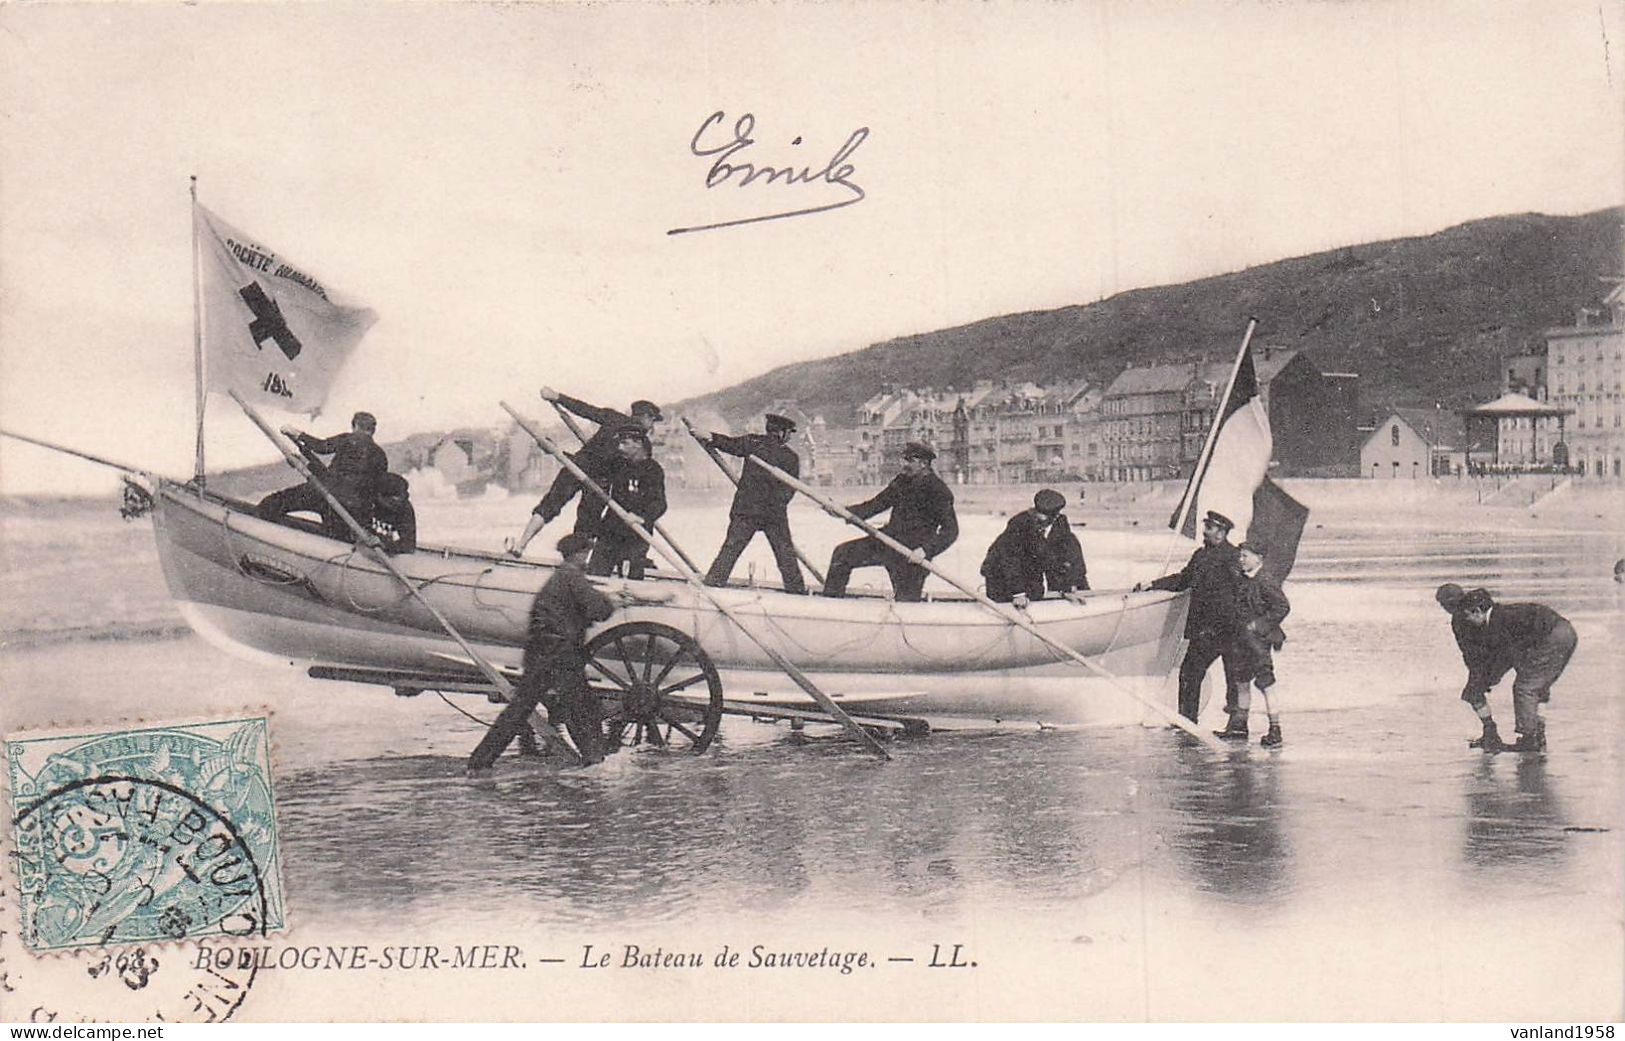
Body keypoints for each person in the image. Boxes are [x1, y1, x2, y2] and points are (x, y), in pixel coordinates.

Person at [467, 533, 617, 773]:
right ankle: (594, 762)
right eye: (585, 553)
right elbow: (598, 609)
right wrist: (611, 601)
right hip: (559, 655)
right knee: (576, 706)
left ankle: (480, 761)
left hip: (544, 653)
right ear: (578, 554)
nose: (587, 557)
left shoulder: (561, 577)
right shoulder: (572, 577)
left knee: (523, 709)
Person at [507, 389, 662, 557]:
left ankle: (521, 545)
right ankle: (577, 562)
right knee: (587, 524)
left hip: (579, 466)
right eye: (652, 421)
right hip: (599, 481)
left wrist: (558, 397)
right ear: (646, 417)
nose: (652, 426)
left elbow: (585, 410)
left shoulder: (614, 418)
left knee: (550, 506)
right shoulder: (641, 443)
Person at [1137, 510, 1242, 723]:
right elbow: (1183, 579)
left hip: (1229, 629)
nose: (1204, 532)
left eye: (1209, 528)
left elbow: (1243, 590)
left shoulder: (1233, 557)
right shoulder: (1200, 555)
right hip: (1203, 630)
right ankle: (1187, 721)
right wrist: (1153, 585)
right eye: (1205, 526)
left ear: (1222, 532)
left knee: (1234, 678)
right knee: (1189, 674)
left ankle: (1237, 726)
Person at [821, 442, 958, 602]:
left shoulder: (938, 490)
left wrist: (925, 551)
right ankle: (831, 603)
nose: (904, 464)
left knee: (907, 602)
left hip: (911, 554)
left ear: (923, 463)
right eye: (904, 459)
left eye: (909, 460)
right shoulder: (901, 481)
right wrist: (842, 512)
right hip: (887, 543)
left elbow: (950, 531)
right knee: (842, 554)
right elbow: (875, 505)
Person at [1453, 588, 1578, 753]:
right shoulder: (1501, 614)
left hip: (1553, 637)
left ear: (1477, 612)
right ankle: (1537, 735)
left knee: (1525, 688)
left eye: (1468, 616)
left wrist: (1484, 679)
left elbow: (1505, 655)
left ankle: (1529, 740)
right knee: (1536, 686)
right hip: (1564, 632)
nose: (1467, 621)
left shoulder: (1499, 621)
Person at [700, 413, 807, 594]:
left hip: (747, 509)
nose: (789, 437)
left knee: (731, 548)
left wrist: (710, 437)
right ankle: (796, 591)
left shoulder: (752, 443)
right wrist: (775, 503)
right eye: (788, 433)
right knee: (785, 554)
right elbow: (789, 490)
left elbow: (729, 444)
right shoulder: (790, 457)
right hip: (773, 513)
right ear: (782, 433)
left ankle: (713, 583)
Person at [258, 412, 388, 538]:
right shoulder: (381, 456)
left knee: (270, 505)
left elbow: (321, 447)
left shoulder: (348, 439)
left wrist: (297, 433)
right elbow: (374, 489)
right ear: (372, 431)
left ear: (355, 426)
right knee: (337, 536)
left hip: (322, 494)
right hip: (349, 509)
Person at [1216, 542, 1290, 745]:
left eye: (1245, 556)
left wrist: (1259, 625)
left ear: (1259, 558)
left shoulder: (1265, 580)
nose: (1241, 560)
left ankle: (1275, 729)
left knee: (1266, 684)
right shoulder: (1245, 579)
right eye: (1240, 556)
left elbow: (1282, 607)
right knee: (1241, 682)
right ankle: (1240, 726)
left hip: (1258, 642)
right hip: (1241, 640)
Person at [979, 488, 1089, 606]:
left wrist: (1068, 588)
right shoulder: (1018, 524)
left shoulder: (1061, 525)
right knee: (1013, 599)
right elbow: (1009, 560)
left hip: (1032, 569)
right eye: (1037, 515)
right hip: (1000, 572)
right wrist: (1018, 593)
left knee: (1036, 593)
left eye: (1044, 518)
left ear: (1055, 516)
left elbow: (1065, 558)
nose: (1039, 520)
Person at [1435, 583, 1512, 751]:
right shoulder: (1479, 602)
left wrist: (1477, 673)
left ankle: (1491, 732)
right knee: (1474, 692)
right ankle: (1491, 732)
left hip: (1493, 656)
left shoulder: (1458, 619)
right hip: (1503, 652)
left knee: (1473, 693)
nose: (1445, 608)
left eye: (1444, 604)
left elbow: (1468, 650)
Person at [585, 432, 667, 580]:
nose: (620, 447)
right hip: (611, 529)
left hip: (636, 532)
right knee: (596, 572)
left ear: (638, 444)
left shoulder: (653, 470)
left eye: (625, 443)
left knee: (632, 576)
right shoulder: (618, 463)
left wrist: (641, 518)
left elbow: (660, 503)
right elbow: (590, 464)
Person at [368, 473, 417, 555]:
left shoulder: (405, 509)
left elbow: (408, 546)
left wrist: (384, 544)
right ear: (379, 496)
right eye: (393, 500)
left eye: (400, 497)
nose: (398, 502)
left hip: (387, 553)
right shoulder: (369, 503)